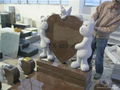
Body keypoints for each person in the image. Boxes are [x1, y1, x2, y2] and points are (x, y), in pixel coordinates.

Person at [88, 0, 120, 80]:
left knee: (99, 55)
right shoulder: (105, 4)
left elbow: (110, 29)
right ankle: (87, 65)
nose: (116, 5)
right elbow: (96, 13)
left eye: (118, 4)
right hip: (93, 33)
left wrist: (97, 28)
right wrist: (92, 20)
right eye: (115, 2)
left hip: (103, 37)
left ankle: (99, 72)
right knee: (89, 51)